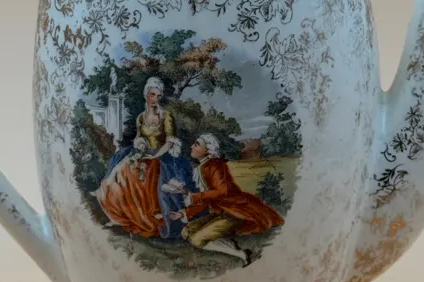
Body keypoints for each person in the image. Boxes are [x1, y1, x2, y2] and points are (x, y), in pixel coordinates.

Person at [95, 77, 194, 239]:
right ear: (146, 94)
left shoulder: (166, 116)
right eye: (152, 94)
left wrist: (155, 155)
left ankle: (147, 218)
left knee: (150, 175)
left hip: (162, 156)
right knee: (122, 170)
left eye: (158, 96)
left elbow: (170, 142)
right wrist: (140, 149)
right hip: (143, 153)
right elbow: (139, 138)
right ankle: (122, 215)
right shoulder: (141, 117)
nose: (155, 99)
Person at [165, 134, 283, 266]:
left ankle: (243, 254)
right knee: (186, 232)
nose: (192, 146)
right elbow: (207, 199)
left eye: (197, 144)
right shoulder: (203, 167)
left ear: (208, 150)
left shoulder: (215, 165)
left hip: (235, 211)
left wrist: (194, 196)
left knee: (196, 240)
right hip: (221, 212)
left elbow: (222, 192)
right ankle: (228, 243)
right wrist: (182, 213)